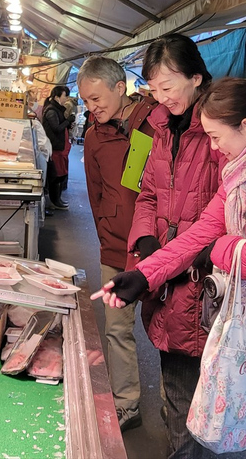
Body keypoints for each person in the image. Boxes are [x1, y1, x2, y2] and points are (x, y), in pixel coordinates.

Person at [93, 77, 246, 459]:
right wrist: (144, 275)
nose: (213, 147)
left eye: (215, 136)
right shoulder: (242, 168)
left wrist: (214, 248)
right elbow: (200, 233)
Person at [130, 34, 225, 456]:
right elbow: (147, 192)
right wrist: (145, 237)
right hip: (165, 276)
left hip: (202, 279)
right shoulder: (160, 128)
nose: (159, 97)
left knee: (190, 395)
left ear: (196, 78)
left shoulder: (219, 130)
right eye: (153, 88)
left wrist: (195, 252)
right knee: (174, 384)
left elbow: (232, 208)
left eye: (167, 87)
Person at [77, 56, 158, 431]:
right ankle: (127, 404)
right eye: (86, 101)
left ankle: (185, 410)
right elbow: (95, 196)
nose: (92, 108)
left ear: (120, 88)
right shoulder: (94, 136)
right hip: (115, 249)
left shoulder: (157, 122)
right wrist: (108, 236)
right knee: (116, 328)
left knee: (176, 332)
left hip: (160, 249)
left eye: (97, 99)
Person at [41, 85, 74, 210]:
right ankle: (55, 201)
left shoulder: (57, 109)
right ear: (57, 97)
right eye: (65, 96)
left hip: (60, 147)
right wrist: (68, 121)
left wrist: (68, 123)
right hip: (54, 148)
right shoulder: (51, 111)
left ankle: (57, 200)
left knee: (60, 174)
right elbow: (56, 128)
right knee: (56, 175)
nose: (66, 99)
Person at [27, 92, 54, 217]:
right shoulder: (28, 116)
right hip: (38, 154)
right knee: (39, 185)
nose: (35, 103)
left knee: (42, 185)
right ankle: (38, 212)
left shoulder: (33, 116)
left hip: (42, 153)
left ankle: (40, 211)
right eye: (33, 100)